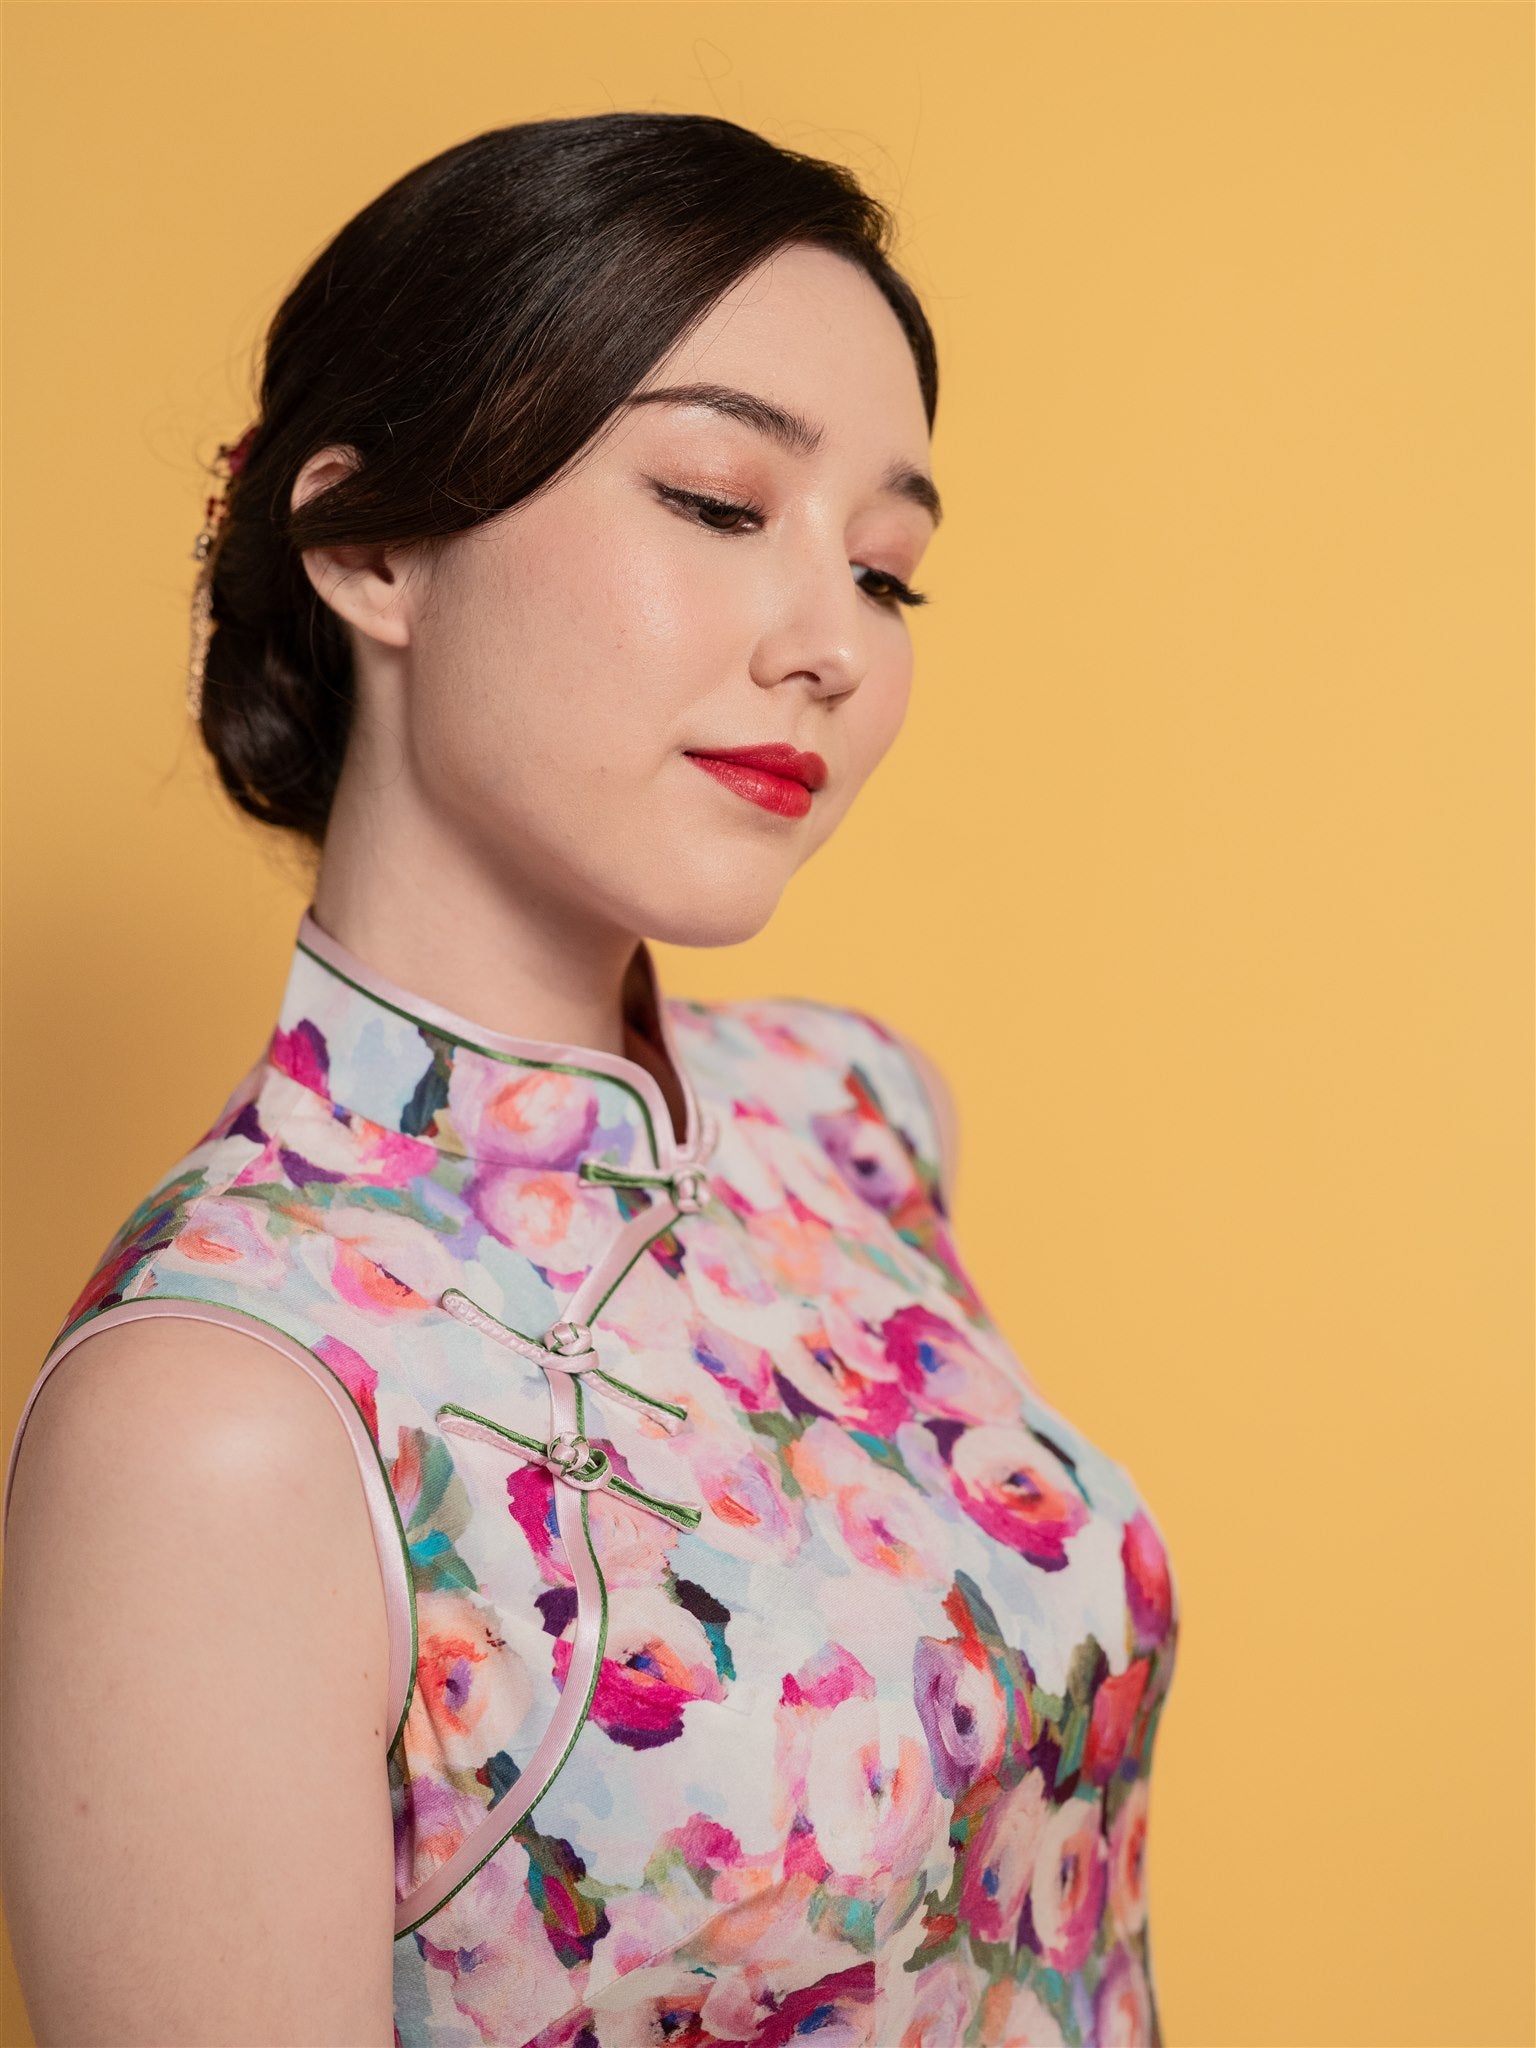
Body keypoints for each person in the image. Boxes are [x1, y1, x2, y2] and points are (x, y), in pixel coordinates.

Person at [0, 113, 1179, 2047]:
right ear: (372, 542)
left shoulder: (853, 1117)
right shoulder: (223, 1411)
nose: (829, 649)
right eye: (719, 503)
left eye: (888, 574)